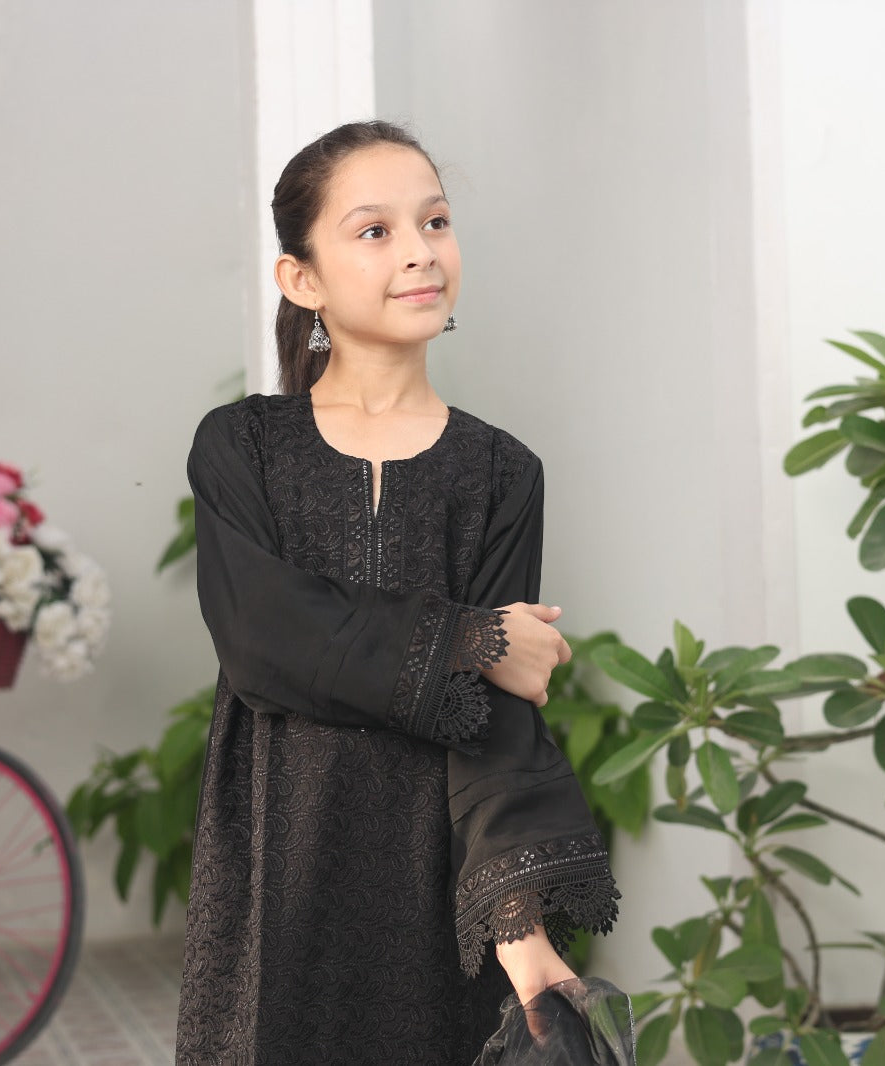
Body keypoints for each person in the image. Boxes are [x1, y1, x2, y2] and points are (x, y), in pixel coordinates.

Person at [174, 120, 622, 1065]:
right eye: (375, 231)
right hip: (278, 864)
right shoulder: (241, 446)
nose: (420, 251)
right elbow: (264, 641)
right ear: (303, 279)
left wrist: (521, 932)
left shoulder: (504, 472)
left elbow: (496, 726)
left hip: (435, 880)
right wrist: (477, 637)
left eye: (437, 221)